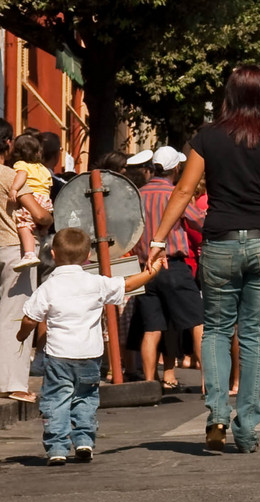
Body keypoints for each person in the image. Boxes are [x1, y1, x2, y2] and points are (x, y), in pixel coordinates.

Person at [148, 65, 260, 454]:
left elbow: (184, 192)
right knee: (253, 336)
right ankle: (248, 428)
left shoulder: (207, 138)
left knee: (217, 330)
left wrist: (157, 239)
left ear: (229, 95)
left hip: (219, 242)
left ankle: (217, 413)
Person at [19, 227, 163, 464]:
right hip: (90, 355)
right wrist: (152, 272)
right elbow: (127, 285)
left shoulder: (49, 287)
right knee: (85, 397)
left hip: (59, 356)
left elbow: (29, 319)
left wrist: (21, 336)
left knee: (57, 399)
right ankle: (84, 440)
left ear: (53, 254)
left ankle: (57, 447)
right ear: (87, 256)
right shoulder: (95, 282)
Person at [136, 146, 204, 393]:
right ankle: (209, 383)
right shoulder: (176, 193)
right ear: (175, 169)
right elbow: (198, 220)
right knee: (198, 321)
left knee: (152, 328)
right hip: (173, 264)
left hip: (145, 268)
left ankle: (148, 383)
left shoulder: (138, 194)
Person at [0, 122, 53, 402]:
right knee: (14, 318)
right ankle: (13, 384)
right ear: (7, 143)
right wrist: (46, 217)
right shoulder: (14, 176)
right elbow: (40, 216)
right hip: (12, 250)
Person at [9, 133, 51, 271]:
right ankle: (43, 237)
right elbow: (48, 186)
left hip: (33, 197)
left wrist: (14, 189)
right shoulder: (44, 169)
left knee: (23, 225)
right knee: (38, 226)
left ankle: (29, 254)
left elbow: (22, 175)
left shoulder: (20, 165)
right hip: (45, 200)